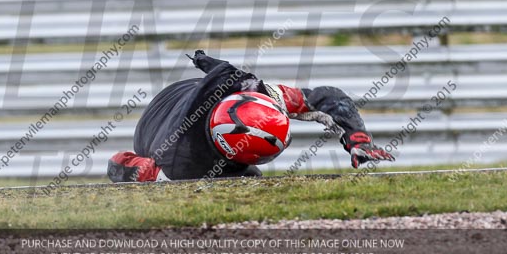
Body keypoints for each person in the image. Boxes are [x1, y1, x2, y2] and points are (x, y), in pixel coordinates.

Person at [107, 50, 394, 182]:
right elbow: (116, 166)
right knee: (246, 182)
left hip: (196, 92)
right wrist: (132, 167)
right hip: (155, 126)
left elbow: (329, 98)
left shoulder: (250, 87)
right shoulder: (177, 163)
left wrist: (358, 138)